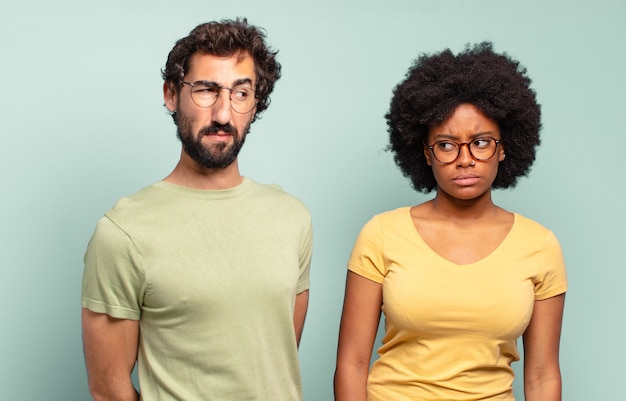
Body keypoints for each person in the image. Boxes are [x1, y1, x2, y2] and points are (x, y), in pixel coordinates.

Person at [81, 18, 312, 401]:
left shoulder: (292, 219)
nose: (223, 114)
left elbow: (276, 358)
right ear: (172, 94)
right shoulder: (123, 231)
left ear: (256, 104)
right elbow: (108, 389)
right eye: (206, 90)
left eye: (241, 93)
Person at [334, 42, 567, 401]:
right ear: (424, 153)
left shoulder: (539, 246)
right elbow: (351, 364)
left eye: (481, 142)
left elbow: (541, 375)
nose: (465, 159)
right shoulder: (381, 234)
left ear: (504, 148)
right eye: (446, 144)